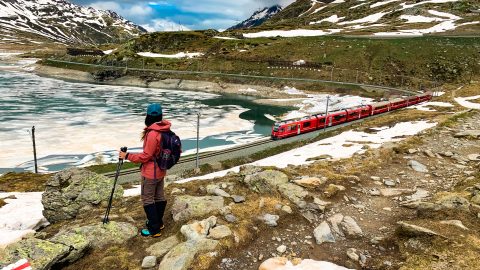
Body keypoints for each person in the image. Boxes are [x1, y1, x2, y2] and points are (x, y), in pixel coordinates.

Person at [119, 103, 170, 238]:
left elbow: (146, 156)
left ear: (148, 116)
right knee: (159, 196)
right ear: (160, 116)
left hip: (150, 172)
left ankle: (154, 229)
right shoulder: (164, 129)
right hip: (160, 170)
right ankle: (158, 223)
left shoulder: (152, 133)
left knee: (147, 199)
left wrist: (127, 156)